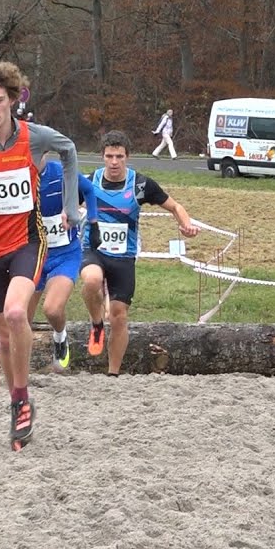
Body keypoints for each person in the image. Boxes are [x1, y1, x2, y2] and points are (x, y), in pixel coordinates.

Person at [0, 60, 81, 451]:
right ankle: (16, 403)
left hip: (27, 242)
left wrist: (71, 207)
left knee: (17, 314)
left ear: (13, 101)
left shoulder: (34, 138)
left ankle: (22, 399)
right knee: (4, 337)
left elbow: (69, 150)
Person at [81, 130, 199, 375]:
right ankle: (95, 325)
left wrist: (185, 224)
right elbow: (65, 204)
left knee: (119, 316)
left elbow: (175, 205)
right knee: (91, 280)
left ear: (128, 157)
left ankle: (113, 373)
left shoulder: (141, 184)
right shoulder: (89, 181)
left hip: (124, 256)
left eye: (120, 157)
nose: (114, 162)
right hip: (94, 249)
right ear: (102, 157)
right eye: (109, 156)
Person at [28, 153, 97, 368]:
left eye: (36, 152)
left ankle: (60, 337)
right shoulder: (19, 175)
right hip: (31, 256)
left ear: (45, 153)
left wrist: (93, 222)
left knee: (52, 309)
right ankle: (21, 370)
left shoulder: (60, 172)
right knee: (20, 319)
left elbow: (89, 189)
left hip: (64, 254)